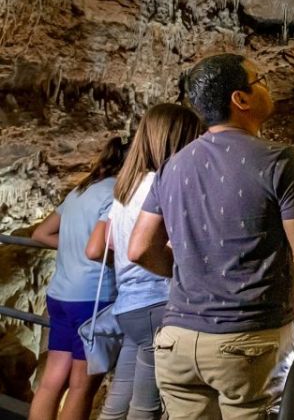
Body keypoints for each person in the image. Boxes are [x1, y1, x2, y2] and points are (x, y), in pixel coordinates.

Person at [128, 53, 294, 419]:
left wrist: (194, 272)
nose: (267, 86)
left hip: (177, 343)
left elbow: (138, 249)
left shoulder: (173, 165)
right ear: (241, 99)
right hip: (248, 345)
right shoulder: (278, 160)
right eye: (259, 79)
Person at [85, 104, 203, 420]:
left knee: (117, 404)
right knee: (145, 408)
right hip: (157, 303)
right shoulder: (165, 184)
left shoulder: (126, 185)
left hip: (129, 307)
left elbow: (110, 242)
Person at [29, 136, 128, 420]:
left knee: (51, 382)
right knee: (81, 387)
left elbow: (40, 234)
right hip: (91, 301)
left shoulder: (80, 191)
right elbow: (97, 250)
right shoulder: (117, 193)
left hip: (60, 295)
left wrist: (75, 243)